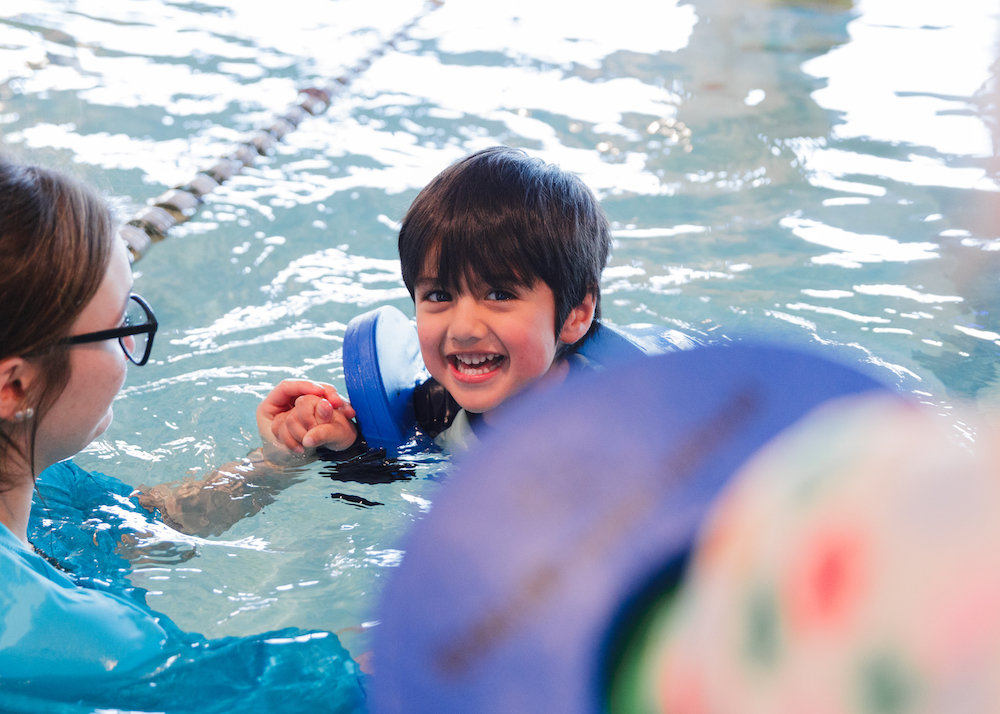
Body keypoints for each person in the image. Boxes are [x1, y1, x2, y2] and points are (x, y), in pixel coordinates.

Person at [0, 158, 365, 712]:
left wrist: (282, 458)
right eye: (120, 326)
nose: (130, 352)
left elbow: (142, 523)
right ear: (15, 387)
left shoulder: (44, 488)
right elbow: (300, 693)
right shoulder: (76, 639)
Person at [269, 146, 611, 455]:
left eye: (499, 294)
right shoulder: (433, 412)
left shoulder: (618, 416)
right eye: (439, 295)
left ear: (575, 315)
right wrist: (333, 445)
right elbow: (381, 487)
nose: (462, 329)